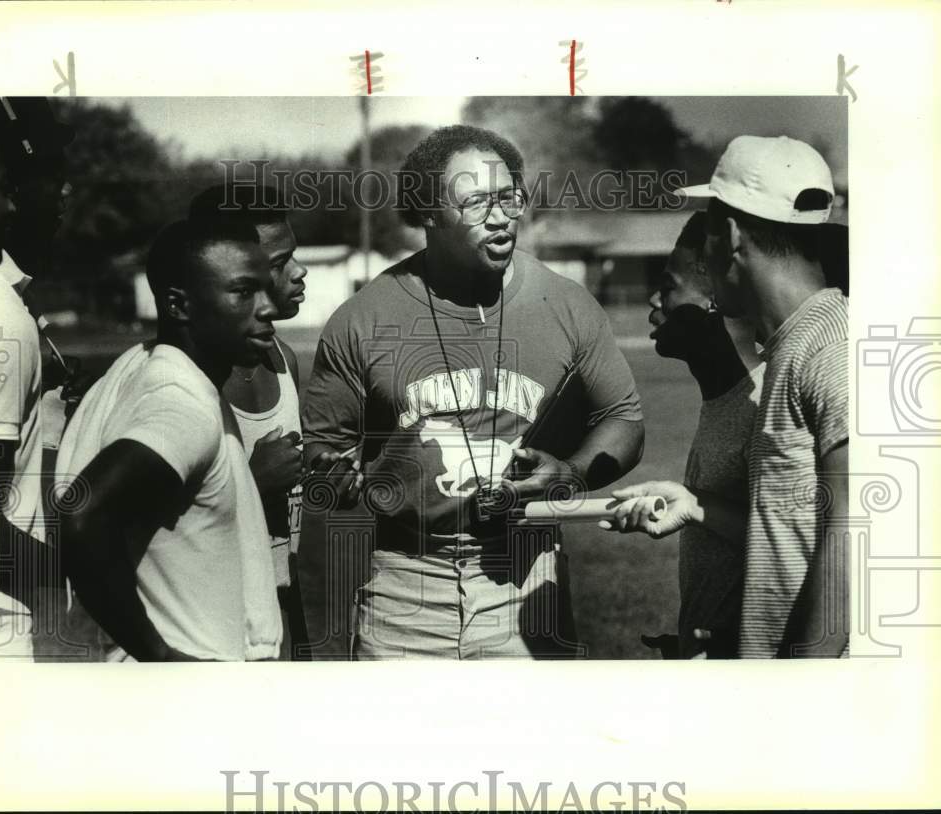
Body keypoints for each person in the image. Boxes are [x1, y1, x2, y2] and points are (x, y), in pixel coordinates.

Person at [303, 124, 644, 659]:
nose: (502, 216)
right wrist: (337, 475)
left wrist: (573, 473)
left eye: (510, 197)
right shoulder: (363, 319)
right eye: (477, 201)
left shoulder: (566, 304)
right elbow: (324, 447)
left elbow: (623, 418)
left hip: (528, 577)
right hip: (402, 585)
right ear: (428, 215)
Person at [605, 136, 849, 658]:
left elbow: (858, 535)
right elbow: (792, 535)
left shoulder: (831, 344)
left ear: (732, 236)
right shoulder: (796, 345)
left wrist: (804, 686)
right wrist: (695, 505)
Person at [56, 218, 284, 661]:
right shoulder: (182, 404)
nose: (267, 307)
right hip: (189, 703)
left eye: (265, 288)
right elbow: (81, 513)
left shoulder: (165, 377)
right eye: (243, 292)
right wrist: (159, 656)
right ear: (179, 306)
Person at [188, 183, 311, 659]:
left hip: (281, 602)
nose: (299, 274)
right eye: (279, 264)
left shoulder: (284, 358)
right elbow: (154, 525)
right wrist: (253, 481)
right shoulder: (192, 379)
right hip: (214, 619)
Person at [638, 212, 764, 659]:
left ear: (716, 298)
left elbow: (791, 542)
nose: (654, 299)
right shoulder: (722, 400)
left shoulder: (761, 406)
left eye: (669, 287)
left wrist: (692, 506)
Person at [0, 96, 74, 659]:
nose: (67, 192)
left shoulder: (8, 298)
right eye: (52, 175)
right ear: (8, 188)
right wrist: (81, 568)